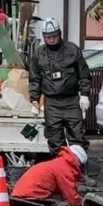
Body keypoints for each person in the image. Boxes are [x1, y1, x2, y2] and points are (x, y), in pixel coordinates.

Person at [27, 19, 91, 150]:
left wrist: (84, 94)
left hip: (71, 100)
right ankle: (60, 167)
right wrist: (34, 99)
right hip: (51, 102)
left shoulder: (72, 49)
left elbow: (84, 74)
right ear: (43, 37)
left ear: (60, 33)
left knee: (77, 137)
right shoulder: (39, 53)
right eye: (47, 37)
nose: (51, 40)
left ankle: (77, 167)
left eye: (54, 36)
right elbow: (35, 78)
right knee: (54, 139)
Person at [10, 143, 86, 206]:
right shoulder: (64, 168)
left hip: (22, 192)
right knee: (60, 199)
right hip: (29, 195)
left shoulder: (59, 162)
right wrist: (81, 203)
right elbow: (70, 194)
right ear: (77, 160)